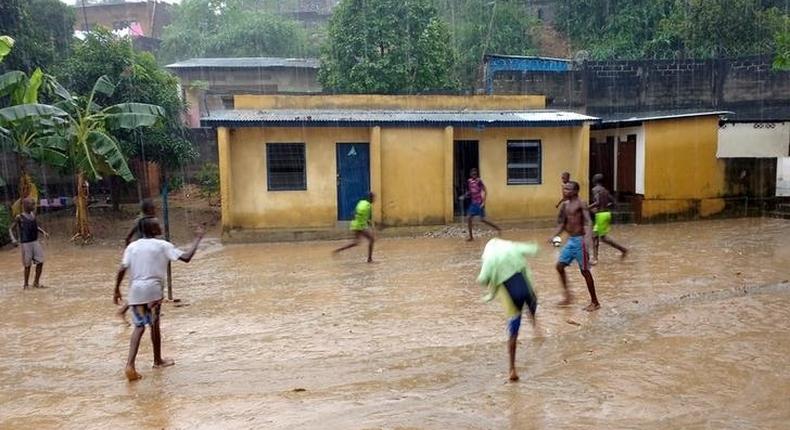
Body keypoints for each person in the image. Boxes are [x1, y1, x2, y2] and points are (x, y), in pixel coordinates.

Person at [114, 218, 204, 381]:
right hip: (153, 291)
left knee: (139, 327)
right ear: (152, 230)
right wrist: (197, 239)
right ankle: (157, 360)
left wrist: (116, 290)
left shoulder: (132, 247)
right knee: (155, 325)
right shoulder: (162, 245)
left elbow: (122, 268)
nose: (160, 226)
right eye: (157, 225)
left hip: (135, 291)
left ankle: (130, 365)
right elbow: (187, 257)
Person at [477, 238, 539, 382]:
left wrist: (488, 280)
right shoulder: (512, 246)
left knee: (513, 334)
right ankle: (536, 326)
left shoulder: (490, 257)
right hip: (526, 286)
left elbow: (482, 278)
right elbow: (532, 249)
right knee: (531, 304)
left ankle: (512, 369)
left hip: (510, 294)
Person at [549, 181, 600, 311]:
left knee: (585, 271)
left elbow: (588, 221)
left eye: (568, 189)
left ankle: (595, 302)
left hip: (580, 241)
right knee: (559, 266)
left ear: (576, 191)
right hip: (571, 240)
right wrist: (554, 235)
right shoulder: (565, 205)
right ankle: (568, 296)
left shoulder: (581, 204)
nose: (565, 191)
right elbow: (562, 224)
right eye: (564, 189)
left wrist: (587, 239)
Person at [9, 198, 49, 289]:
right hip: (26, 244)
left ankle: (36, 282)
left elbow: (35, 226)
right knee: (27, 265)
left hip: (35, 242)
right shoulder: (19, 217)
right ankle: (26, 285)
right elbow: (11, 229)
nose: (34, 206)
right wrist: (13, 239)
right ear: (25, 206)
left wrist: (43, 232)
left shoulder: (33, 215)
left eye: (34, 204)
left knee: (40, 262)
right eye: (32, 204)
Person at [589, 174, 627, 264]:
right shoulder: (605, 191)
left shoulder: (595, 189)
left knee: (603, 238)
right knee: (594, 236)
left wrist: (587, 207)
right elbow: (613, 202)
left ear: (594, 181)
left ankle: (623, 249)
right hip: (606, 214)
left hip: (601, 215)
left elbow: (597, 202)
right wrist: (604, 206)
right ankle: (595, 258)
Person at [333, 192, 375, 263]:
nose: (374, 199)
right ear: (371, 198)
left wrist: (366, 221)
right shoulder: (368, 205)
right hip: (359, 225)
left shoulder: (361, 202)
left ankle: (338, 250)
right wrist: (367, 223)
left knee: (356, 242)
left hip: (355, 224)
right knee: (371, 240)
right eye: (373, 198)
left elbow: (355, 213)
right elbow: (362, 214)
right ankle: (369, 259)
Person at [466, 168, 500, 241]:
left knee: (482, 220)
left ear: (477, 174)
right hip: (473, 203)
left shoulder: (479, 181)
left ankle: (496, 228)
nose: (474, 175)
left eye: (475, 173)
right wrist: (466, 195)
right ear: (470, 174)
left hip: (479, 202)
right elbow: (470, 191)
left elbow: (485, 190)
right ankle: (471, 237)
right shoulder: (469, 181)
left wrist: (483, 202)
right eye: (473, 173)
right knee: (469, 218)